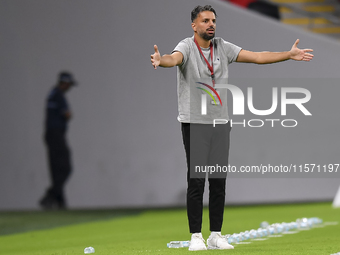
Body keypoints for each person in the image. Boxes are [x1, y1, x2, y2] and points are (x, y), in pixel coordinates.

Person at [150, 5, 313, 251]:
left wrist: (288, 55)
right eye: (205, 21)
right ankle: (196, 236)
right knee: (196, 181)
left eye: (213, 20)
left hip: (220, 124)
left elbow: (258, 57)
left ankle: (216, 234)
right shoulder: (186, 46)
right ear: (194, 25)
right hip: (194, 123)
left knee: (218, 181)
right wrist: (161, 60)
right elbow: (173, 59)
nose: (211, 24)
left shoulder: (223, 47)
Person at [39, 71, 77, 210]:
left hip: (50, 134)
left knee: (56, 169)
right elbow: (67, 114)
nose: (69, 88)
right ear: (65, 83)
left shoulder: (52, 94)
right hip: (56, 135)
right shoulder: (59, 95)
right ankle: (50, 196)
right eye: (69, 84)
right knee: (66, 168)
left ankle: (60, 202)